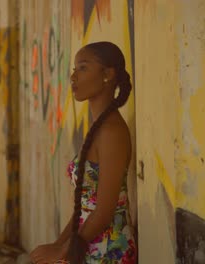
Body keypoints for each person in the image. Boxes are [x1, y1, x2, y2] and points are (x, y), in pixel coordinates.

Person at [30, 41, 136, 263]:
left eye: (83, 68)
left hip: (109, 250)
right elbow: (85, 208)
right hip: (88, 244)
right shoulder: (99, 127)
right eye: (74, 69)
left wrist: (61, 251)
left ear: (107, 74)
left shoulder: (112, 132)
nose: (73, 77)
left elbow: (104, 212)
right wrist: (58, 245)